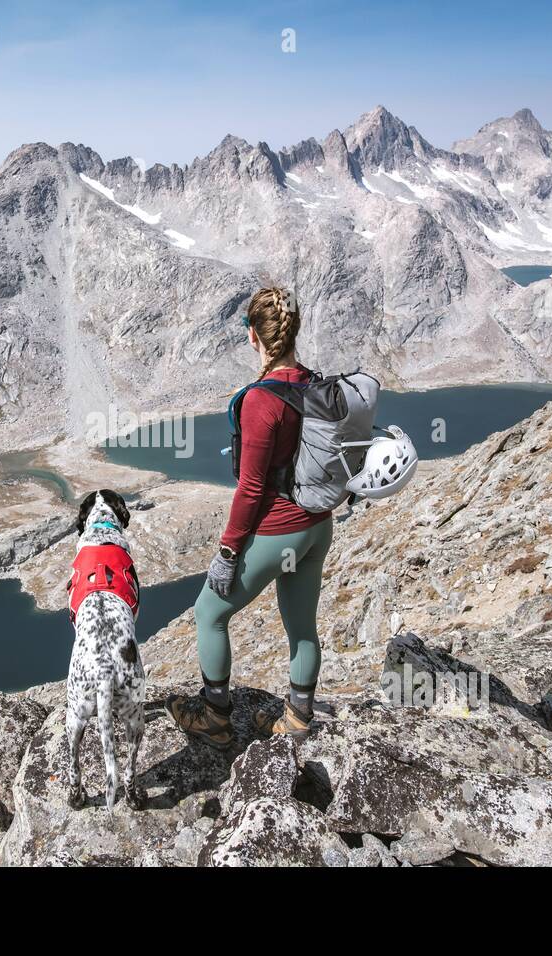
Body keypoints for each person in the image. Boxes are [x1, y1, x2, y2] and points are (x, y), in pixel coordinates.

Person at [165, 287, 333, 747]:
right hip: (318, 527)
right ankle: (299, 720)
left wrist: (227, 550)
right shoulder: (312, 382)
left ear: (256, 337)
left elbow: (253, 488)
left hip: (280, 530)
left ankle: (216, 719)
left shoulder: (263, 399)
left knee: (209, 613)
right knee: (302, 625)